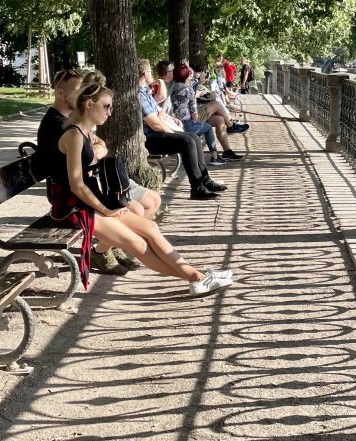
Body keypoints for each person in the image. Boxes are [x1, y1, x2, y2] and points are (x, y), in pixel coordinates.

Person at [51, 71, 233, 295]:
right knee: (137, 244)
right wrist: (106, 209)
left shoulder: (85, 132)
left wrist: (106, 205)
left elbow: (99, 155)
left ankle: (196, 274)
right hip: (74, 208)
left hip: (92, 202)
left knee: (151, 228)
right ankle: (197, 277)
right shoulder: (74, 135)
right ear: (89, 105)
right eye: (106, 106)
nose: (110, 112)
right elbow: (77, 184)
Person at [37, 68, 163, 275]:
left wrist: (98, 149)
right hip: (72, 195)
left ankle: (107, 249)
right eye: (78, 90)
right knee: (136, 209)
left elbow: (98, 148)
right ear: (60, 91)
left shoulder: (71, 121)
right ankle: (106, 250)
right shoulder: (58, 125)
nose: (83, 95)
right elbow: (91, 156)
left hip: (93, 183)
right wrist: (98, 150)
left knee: (145, 205)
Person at [138, 59, 226, 199]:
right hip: (150, 138)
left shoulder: (145, 92)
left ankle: (205, 180)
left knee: (194, 138)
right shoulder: (139, 95)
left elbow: (159, 112)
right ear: (144, 73)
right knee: (187, 141)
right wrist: (172, 131)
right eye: (149, 72)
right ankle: (196, 187)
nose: (151, 74)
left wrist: (170, 119)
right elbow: (155, 123)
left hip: (157, 131)